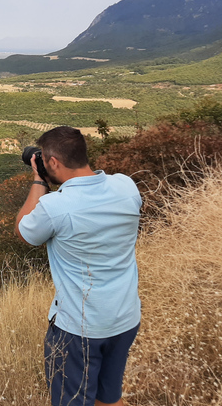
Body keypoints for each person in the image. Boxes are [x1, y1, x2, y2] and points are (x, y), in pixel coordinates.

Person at [14, 126, 142, 406]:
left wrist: (39, 181)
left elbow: (24, 231)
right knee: (108, 397)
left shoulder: (55, 207)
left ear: (53, 162)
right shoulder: (126, 185)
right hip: (125, 318)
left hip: (80, 329)